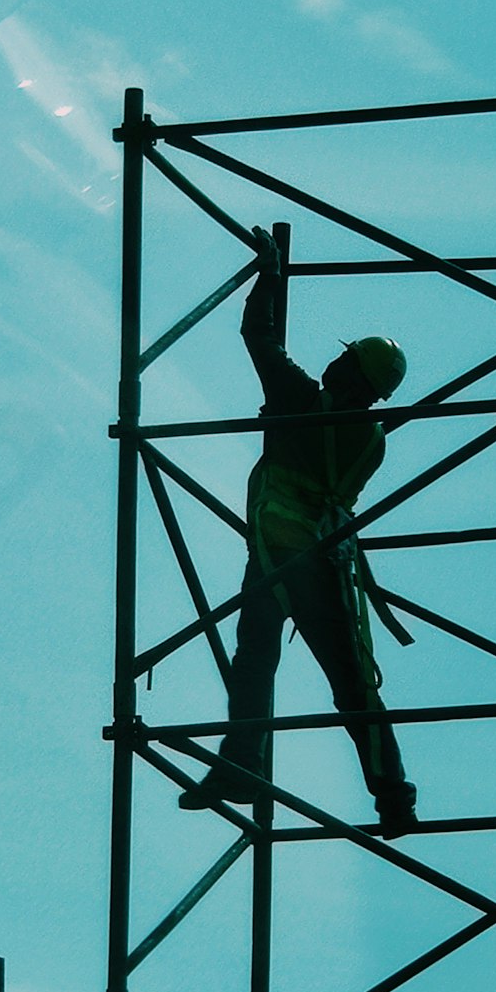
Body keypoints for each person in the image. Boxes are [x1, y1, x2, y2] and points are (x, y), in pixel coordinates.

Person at [181, 226, 418, 839]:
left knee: (257, 655)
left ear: (350, 372)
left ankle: (240, 764)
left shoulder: (299, 397)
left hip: (281, 552)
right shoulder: (372, 438)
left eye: (343, 357)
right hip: (329, 559)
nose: (333, 358)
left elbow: (257, 335)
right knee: (352, 683)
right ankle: (394, 798)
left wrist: (271, 271)